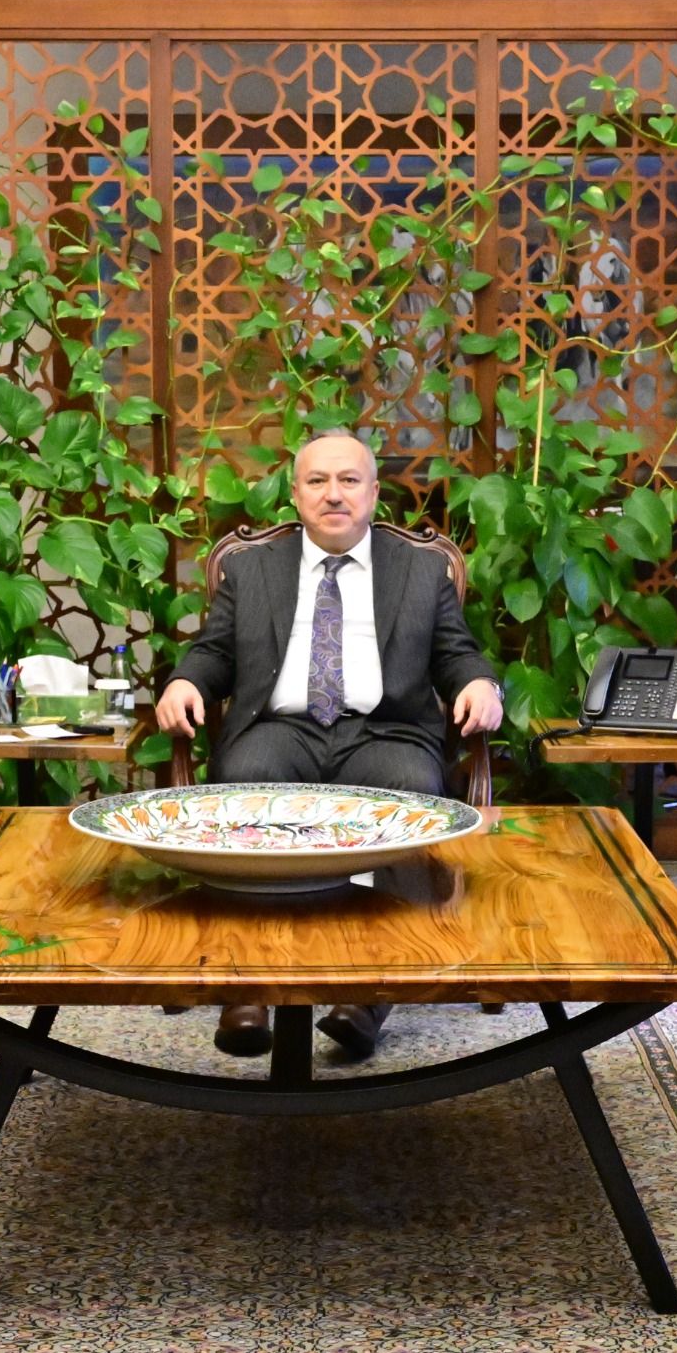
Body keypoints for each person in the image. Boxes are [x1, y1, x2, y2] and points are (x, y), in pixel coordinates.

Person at [155, 429, 502, 1059]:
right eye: (317, 481)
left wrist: (480, 683)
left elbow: (456, 652)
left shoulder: (420, 571)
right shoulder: (252, 568)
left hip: (384, 729)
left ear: (373, 492)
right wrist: (185, 681)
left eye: (348, 480)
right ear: (296, 494)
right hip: (280, 728)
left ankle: (373, 993)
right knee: (245, 781)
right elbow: (215, 651)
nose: (333, 494)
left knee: (411, 790)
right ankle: (247, 988)